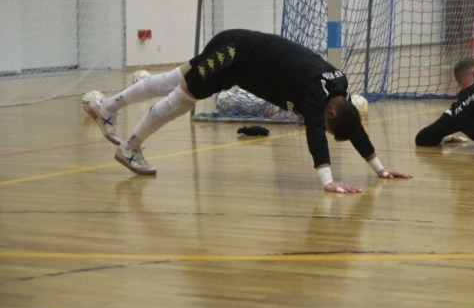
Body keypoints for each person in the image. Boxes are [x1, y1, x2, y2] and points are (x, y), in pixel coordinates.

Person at [84, 29, 411, 192]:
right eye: (327, 127)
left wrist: (378, 168)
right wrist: (327, 180)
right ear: (330, 116)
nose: (323, 127)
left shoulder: (339, 92)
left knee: (173, 78)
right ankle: (129, 147)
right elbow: (315, 134)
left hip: (237, 55)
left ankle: (107, 108)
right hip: (231, 55)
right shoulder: (318, 97)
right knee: (181, 97)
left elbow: (352, 127)